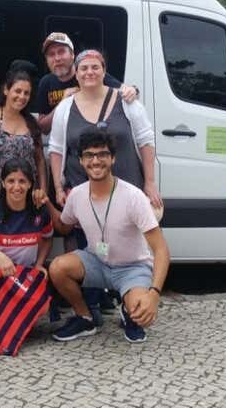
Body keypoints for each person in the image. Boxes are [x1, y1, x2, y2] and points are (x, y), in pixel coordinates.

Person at [42, 129, 170, 343]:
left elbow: (161, 250)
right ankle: (85, 317)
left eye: (102, 154)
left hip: (132, 267)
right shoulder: (77, 195)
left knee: (142, 312)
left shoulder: (134, 197)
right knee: (57, 267)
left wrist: (154, 294)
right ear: (81, 161)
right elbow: (63, 227)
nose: (96, 161)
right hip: (97, 262)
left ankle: (129, 311)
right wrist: (46, 203)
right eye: (89, 155)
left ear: (113, 158)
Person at [49, 49, 162, 209]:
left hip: (127, 197)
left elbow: (146, 141)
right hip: (83, 200)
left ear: (104, 71)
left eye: (95, 67)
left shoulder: (127, 102)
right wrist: (58, 188)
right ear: (76, 73)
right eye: (84, 68)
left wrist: (150, 183)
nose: (89, 72)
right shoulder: (65, 107)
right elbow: (56, 150)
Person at [0, 67, 47, 212]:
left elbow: (40, 161)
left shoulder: (31, 123)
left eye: (26, 93)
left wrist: (42, 190)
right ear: (6, 90)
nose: (22, 96)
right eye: (18, 91)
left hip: (26, 196)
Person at [36, 32, 137, 135]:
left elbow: (126, 90)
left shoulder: (89, 75)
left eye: (61, 52)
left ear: (72, 55)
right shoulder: (46, 83)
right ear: (47, 60)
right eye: (51, 54)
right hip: (66, 144)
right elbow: (43, 129)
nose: (57, 58)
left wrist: (133, 90)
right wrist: (62, 104)